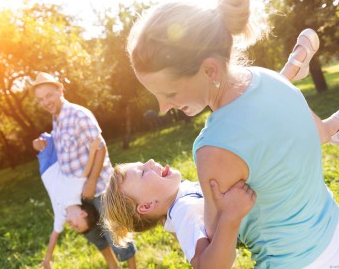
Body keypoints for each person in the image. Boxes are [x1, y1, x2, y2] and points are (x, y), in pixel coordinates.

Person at [126, 0, 339, 268]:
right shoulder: (268, 79)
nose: (163, 106)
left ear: (210, 71)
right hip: (337, 230)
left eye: (168, 92)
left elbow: (214, 243)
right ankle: (333, 120)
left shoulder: (213, 149)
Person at [29, 72, 137, 269]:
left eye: (49, 95)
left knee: (116, 232)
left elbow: (100, 147)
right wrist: (43, 143)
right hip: (78, 193)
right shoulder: (57, 119)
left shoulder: (79, 114)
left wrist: (90, 182)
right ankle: (113, 266)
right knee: (94, 235)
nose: (46, 102)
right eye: (41, 99)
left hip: (100, 188)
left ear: (60, 90)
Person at [103, 160, 256, 269]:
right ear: (148, 205)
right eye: (143, 173)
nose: (150, 162)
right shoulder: (183, 211)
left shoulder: (177, 197)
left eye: (142, 163)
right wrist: (230, 217)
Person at [35, 132, 101, 269]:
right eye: (77, 226)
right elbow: (86, 171)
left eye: (74, 229)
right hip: (58, 161)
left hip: (45, 167)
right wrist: (93, 149)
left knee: (41, 142)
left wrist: (47, 260)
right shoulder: (76, 193)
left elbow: (54, 236)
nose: (71, 227)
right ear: (83, 214)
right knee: (53, 137)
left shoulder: (61, 215)